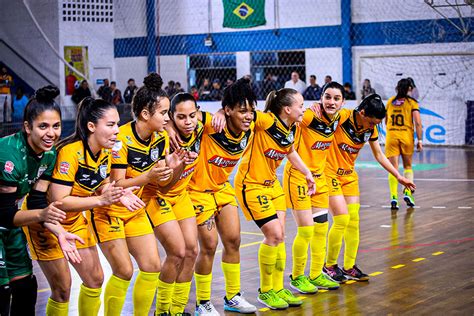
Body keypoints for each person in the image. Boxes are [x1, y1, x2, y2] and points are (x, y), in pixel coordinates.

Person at [93, 73, 186, 316]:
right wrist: (148, 178)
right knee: (123, 271)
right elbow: (115, 185)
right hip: (110, 208)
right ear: (145, 114)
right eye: (164, 113)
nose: (168, 118)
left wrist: (175, 167)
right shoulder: (120, 140)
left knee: (153, 266)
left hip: (136, 209)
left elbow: (163, 183)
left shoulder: (160, 138)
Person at [43, 97, 137, 315]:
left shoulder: (105, 152)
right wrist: (100, 201)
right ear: (91, 126)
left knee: (95, 279)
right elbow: (58, 202)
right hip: (48, 223)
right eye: (111, 125)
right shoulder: (70, 152)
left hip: (75, 221)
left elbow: (100, 182)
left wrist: (114, 193)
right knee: (62, 290)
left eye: (118, 124)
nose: (117, 130)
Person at [0, 85, 82, 315]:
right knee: (3, 291)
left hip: (8, 222)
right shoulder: (8, 156)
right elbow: (5, 213)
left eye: (56, 126)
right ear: (27, 127)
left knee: (26, 287)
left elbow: (36, 201)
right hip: (5, 216)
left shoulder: (49, 154)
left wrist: (59, 232)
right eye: (43, 126)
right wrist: (43, 215)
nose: (51, 133)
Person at [234, 88, 315, 310]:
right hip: (251, 185)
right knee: (274, 235)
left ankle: (278, 288)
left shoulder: (290, 128)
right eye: (301, 105)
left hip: (273, 186)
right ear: (287, 109)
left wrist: (307, 172)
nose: (304, 109)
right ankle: (265, 291)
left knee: (280, 238)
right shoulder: (266, 121)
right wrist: (223, 114)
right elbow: (245, 115)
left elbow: (290, 151)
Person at [182, 78, 257, 315]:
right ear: (227, 110)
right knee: (209, 245)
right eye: (242, 111)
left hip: (222, 188)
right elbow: (186, 116)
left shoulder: (253, 125)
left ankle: (232, 297)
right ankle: (202, 303)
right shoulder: (210, 123)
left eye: (251, 111)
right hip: (197, 191)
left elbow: (280, 114)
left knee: (234, 240)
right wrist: (215, 113)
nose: (248, 116)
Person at [322, 94, 415, 283]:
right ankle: (329, 266)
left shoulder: (370, 130)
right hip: (329, 173)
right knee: (341, 219)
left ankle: (349, 266)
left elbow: (380, 155)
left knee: (354, 220)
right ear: (362, 113)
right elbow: (320, 115)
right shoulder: (342, 117)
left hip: (349, 176)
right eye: (372, 123)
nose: (374, 127)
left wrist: (398, 176)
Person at [283, 82, 350, 295]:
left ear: (342, 102)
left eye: (336, 98)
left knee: (321, 228)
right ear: (321, 98)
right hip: (299, 178)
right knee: (306, 230)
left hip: (320, 180)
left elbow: (360, 116)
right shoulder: (310, 116)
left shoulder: (340, 117)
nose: (331, 102)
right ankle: (297, 276)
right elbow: (290, 115)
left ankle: (315, 273)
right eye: (327, 97)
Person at [146, 92, 201, 315]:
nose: (187, 122)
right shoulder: (163, 140)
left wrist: (218, 113)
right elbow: (164, 187)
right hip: (159, 196)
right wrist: (178, 166)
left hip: (181, 196)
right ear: (171, 117)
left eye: (192, 116)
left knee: (192, 251)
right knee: (177, 253)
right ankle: (162, 311)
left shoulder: (199, 126)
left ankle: (177, 310)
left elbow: (216, 116)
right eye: (181, 117)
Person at [385, 78, 423, 210]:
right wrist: (420, 140)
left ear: (397, 88)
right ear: (409, 89)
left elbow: (385, 120)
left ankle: (393, 197)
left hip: (391, 137)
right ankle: (407, 192)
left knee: (393, 169)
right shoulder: (412, 103)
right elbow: (418, 123)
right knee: (407, 166)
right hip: (406, 137)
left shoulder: (390, 101)